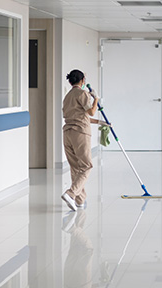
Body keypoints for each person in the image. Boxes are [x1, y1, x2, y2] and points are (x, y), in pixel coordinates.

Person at [61, 69, 109, 211]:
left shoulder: (67, 96)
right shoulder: (82, 94)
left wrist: (101, 123)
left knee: (76, 167)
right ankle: (70, 193)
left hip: (68, 133)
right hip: (80, 133)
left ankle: (79, 200)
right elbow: (91, 111)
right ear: (82, 81)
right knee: (87, 166)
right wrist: (96, 99)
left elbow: (82, 116)